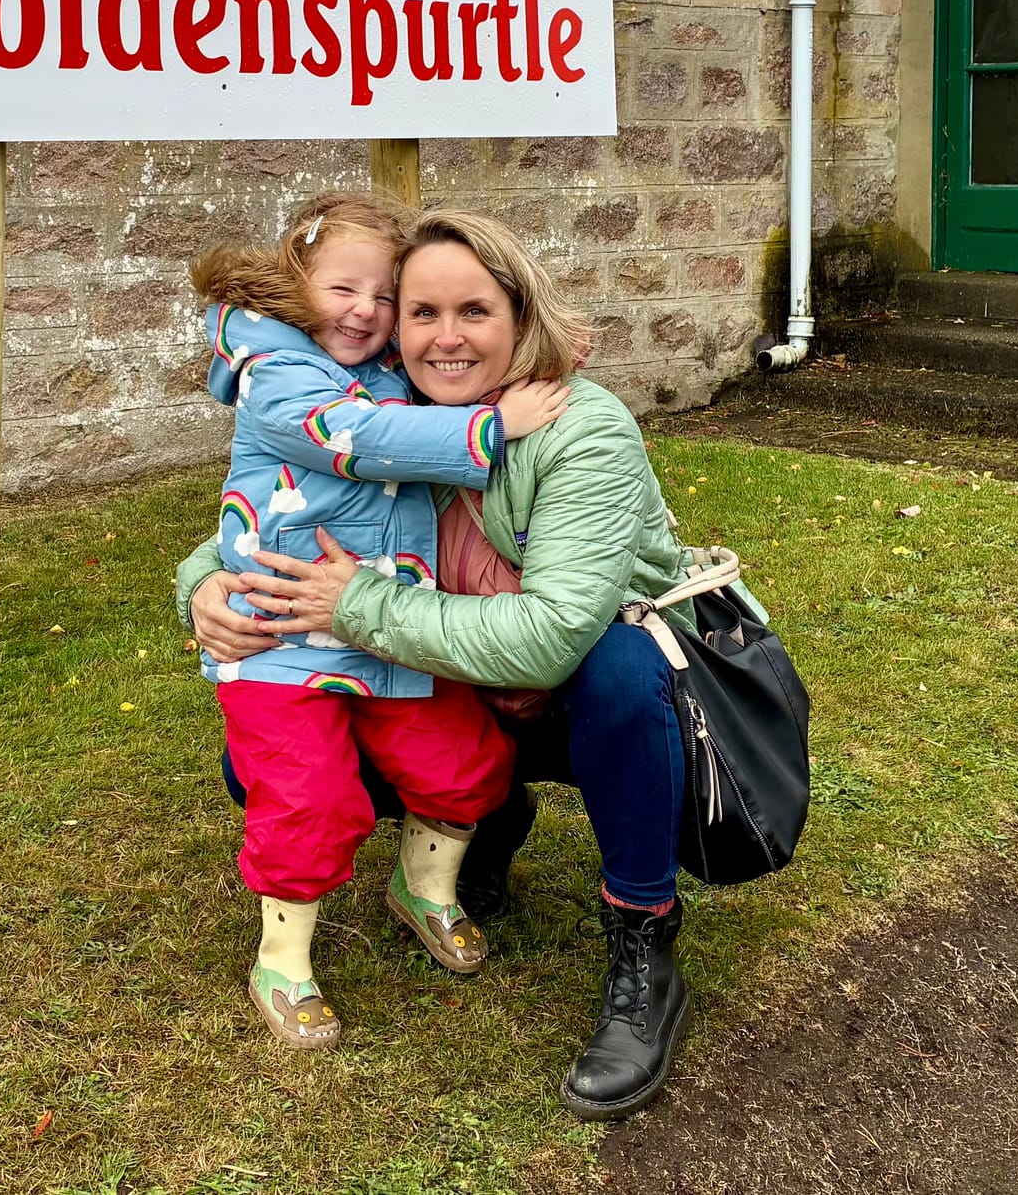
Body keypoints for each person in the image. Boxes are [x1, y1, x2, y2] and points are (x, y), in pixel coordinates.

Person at [177, 207, 697, 1117]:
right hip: (460, 680)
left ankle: (643, 942)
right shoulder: (389, 406)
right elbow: (284, 496)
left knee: (618, 667)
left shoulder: (580, 426)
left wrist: (356, 607)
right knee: (271, 756)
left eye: (474, 312)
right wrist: (203, 587)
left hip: (576, 692)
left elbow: (548, 638)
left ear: (518, 311)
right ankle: (475, 834)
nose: (444, 337)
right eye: (421, 313)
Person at [190, 193, 569, 1051]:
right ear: (294, 287)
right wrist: (490, 427)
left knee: (466, 761)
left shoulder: (382, 370)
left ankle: (423, 891)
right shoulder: (276, 375)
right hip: (284, 645)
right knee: (306, 798)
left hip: (383, 631)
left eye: (383, 295)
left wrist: (548, 356)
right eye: (341, 289)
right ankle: (283, 962)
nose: (366, 311)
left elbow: (437, 383)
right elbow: (356, 439)